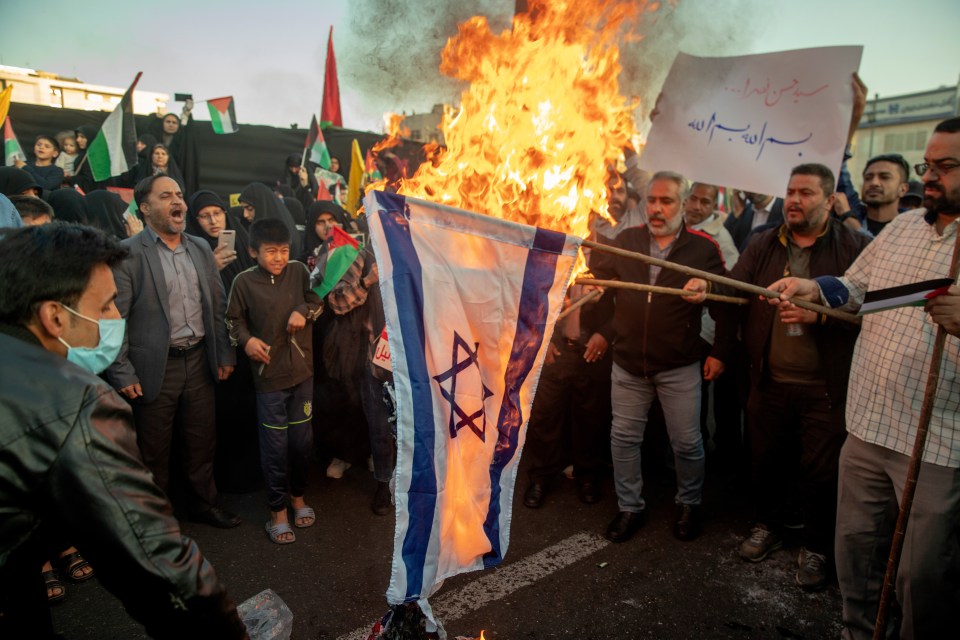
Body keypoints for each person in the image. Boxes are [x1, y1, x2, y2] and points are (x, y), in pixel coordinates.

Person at [0, 223, 248, 639]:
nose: (117, 319)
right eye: (106, 307)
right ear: (54, 316)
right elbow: (157, 563)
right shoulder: (71, 401)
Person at [766, 117, 960, 639]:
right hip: (867, 426)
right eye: (928, 165)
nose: (932, 177)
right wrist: (814, 288)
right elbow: (856, 288)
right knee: (853, 557)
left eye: (946, 166)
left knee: (922, 577)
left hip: (937, 445)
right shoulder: (900, 228)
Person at [687, 164, 870, 591]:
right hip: (767, 380)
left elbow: (871, 310)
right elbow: (735, 288)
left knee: (820, 472)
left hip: (825, 387)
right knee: (765, 460)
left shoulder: (854, 245)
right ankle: (767, 526)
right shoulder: (763, 241)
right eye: (790, 191)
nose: (793, 199)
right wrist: (705, 286)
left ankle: (817, 547)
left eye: (806, 192)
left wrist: (821, 316)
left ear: (829, 201)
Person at [591, 171, 734, 543]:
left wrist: (720, 352)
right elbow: (595, 267)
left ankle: (689, 503)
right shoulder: (628, 240)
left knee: (687, 442)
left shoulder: (703, 248)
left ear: (683, 204)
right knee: (623, 438)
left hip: (678, 365)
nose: (656, 208)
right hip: (627, 365)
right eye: (651, 201)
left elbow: (726, 301)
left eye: (666, 201)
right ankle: (629, 507)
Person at [105, 175, 241, 529]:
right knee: (153, 451)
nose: (177, 202)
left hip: (198, 361)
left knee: (201, 441)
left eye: (179, 195)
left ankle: (204, 505)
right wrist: (121, 371)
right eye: (166, 196)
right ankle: (156, 522)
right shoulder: (128, 253)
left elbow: (217, 303)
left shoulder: (198, 247)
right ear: (145, 208)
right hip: (153, 367)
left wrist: (224, 353)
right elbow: (115, 317)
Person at [227, 218, 323, 544]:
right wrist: (246, 341)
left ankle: (298, 497)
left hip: (302, 374)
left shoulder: (298, 271)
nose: (279, 258)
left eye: (283, 250)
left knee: (302, 443)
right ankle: (277, 510)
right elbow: (232, 321)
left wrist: (302, 311)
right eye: (271, 252)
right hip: (269, 378)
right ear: (254, 251)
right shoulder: (243, 282)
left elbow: (316, 300)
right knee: (275, 447)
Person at [834, 153, 910, 236]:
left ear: (903, 189)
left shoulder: (912, 228)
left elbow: (877, 248)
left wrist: (849, 219)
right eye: (868, 178)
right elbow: (838, 166)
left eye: (885, 177)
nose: (874, 183)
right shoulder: (854, 211)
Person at [238, 181, 300, 252]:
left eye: (250, 209)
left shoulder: (283, 232)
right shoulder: (247, 227)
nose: (245, 215)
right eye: (243, 209)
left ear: (262, 206)